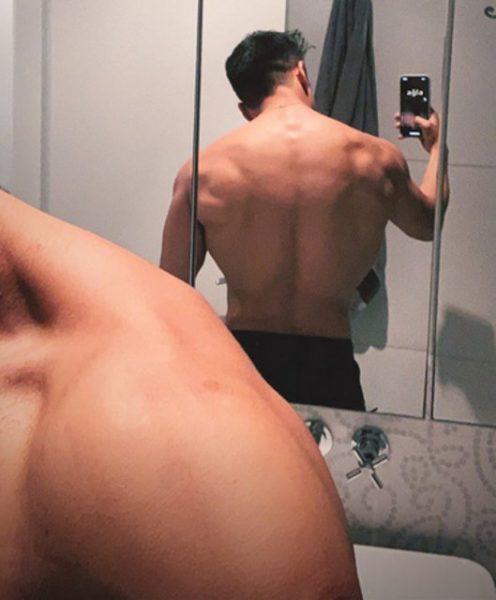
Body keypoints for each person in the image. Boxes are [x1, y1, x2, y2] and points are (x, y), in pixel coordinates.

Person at [0, 188, 362, 599]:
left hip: (243, 354)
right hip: (328, 356)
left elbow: (177, 271)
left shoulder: (167, 438)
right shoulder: (374, 163)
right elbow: (419, 224)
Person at [160, 30, 449, 412]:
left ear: (245, 107)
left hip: (246, 366)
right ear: (300, 73)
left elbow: (170, 292)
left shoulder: (202, 172)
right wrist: (437, 148)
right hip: (330, 368)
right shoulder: (374, 158)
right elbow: (427, 223)